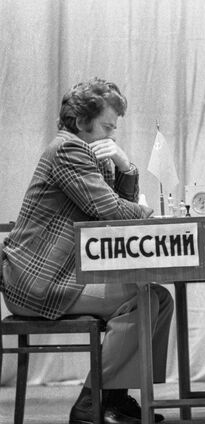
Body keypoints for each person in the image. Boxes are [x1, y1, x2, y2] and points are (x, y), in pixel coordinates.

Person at [0, 77, 174, 424]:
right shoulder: (68, 150)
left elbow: (113, 212)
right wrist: (146, 210)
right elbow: (113, 212)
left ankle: (116, 400)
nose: (111, 136)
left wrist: (126, 167)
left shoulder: (86, 154)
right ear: (82, 122)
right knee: (142, 299)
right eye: (107, 127)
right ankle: (90, 405)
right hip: (38, 283)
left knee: (160, 298)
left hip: (57, 278)